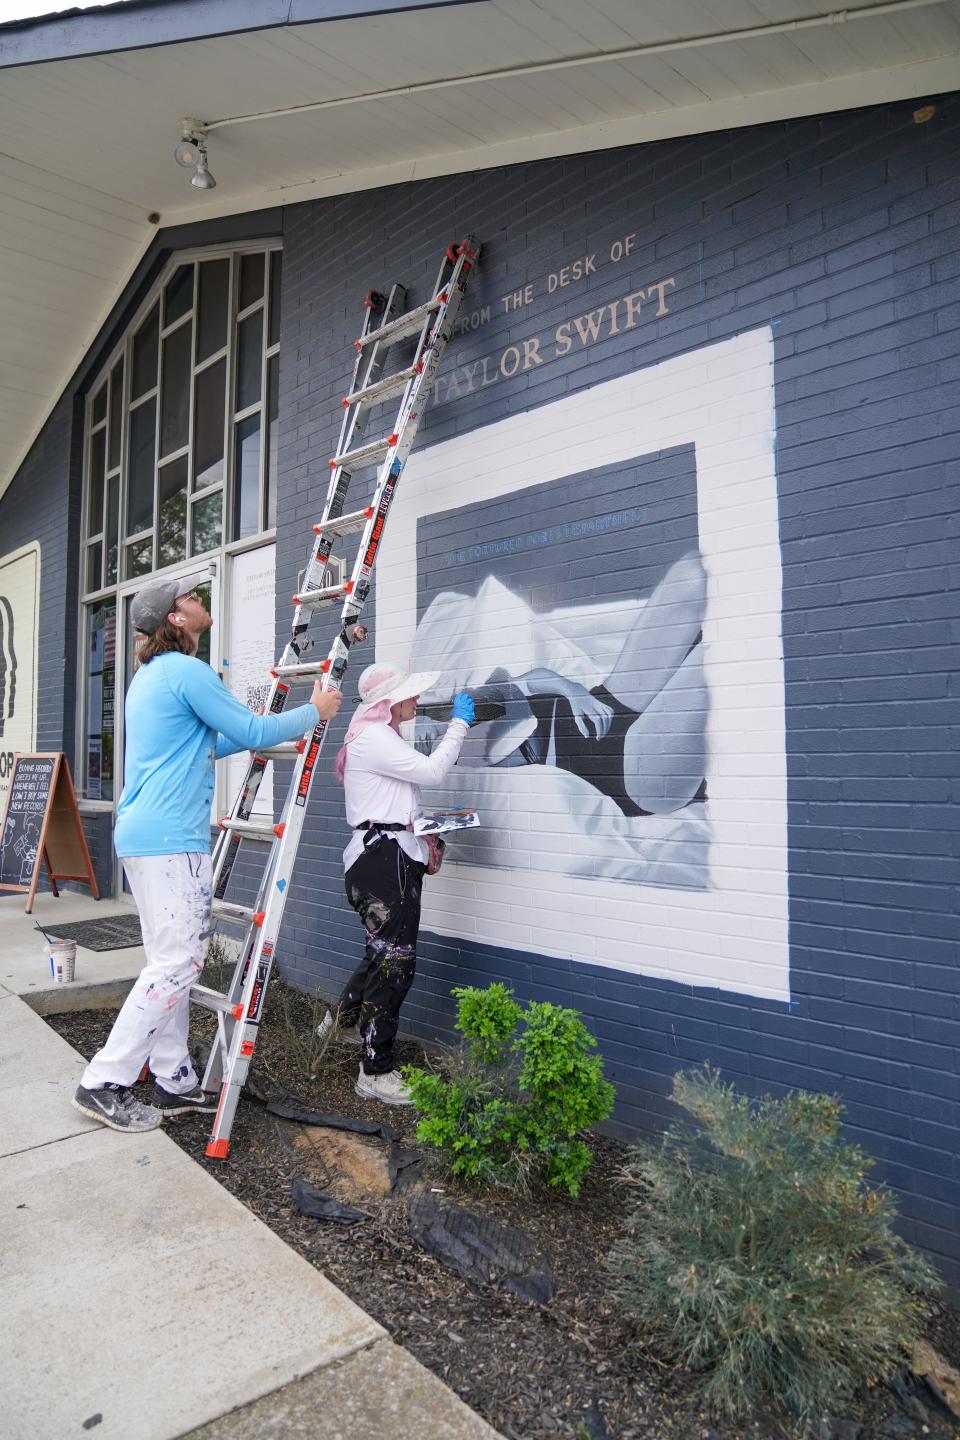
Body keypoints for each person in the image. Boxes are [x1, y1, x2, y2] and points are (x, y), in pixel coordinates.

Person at [72, 574, 342, 1134]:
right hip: (171, 839)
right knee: (177, 965)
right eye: (191, 599)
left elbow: (218, 739)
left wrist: (272, 728)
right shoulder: (185, 672)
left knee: (165, 962)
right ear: (176, 618)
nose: (200, 601)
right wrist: (315, 710)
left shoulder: (149, 678)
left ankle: (173, 1080)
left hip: (143, 835)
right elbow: (246, 726)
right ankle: (104, 1081)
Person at [320, 662, 474, 1105]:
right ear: (388, 701)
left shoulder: (376, 735)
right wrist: (460, 724)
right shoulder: (375, 738)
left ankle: (342, 1027)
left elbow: (397, 804)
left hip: (382, 857)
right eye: (409, 693)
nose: (416, 700)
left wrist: (427, 842)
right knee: (396, 965)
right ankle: (375, 1071)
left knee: (381, 956)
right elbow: (431, 773)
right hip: (384, 863)